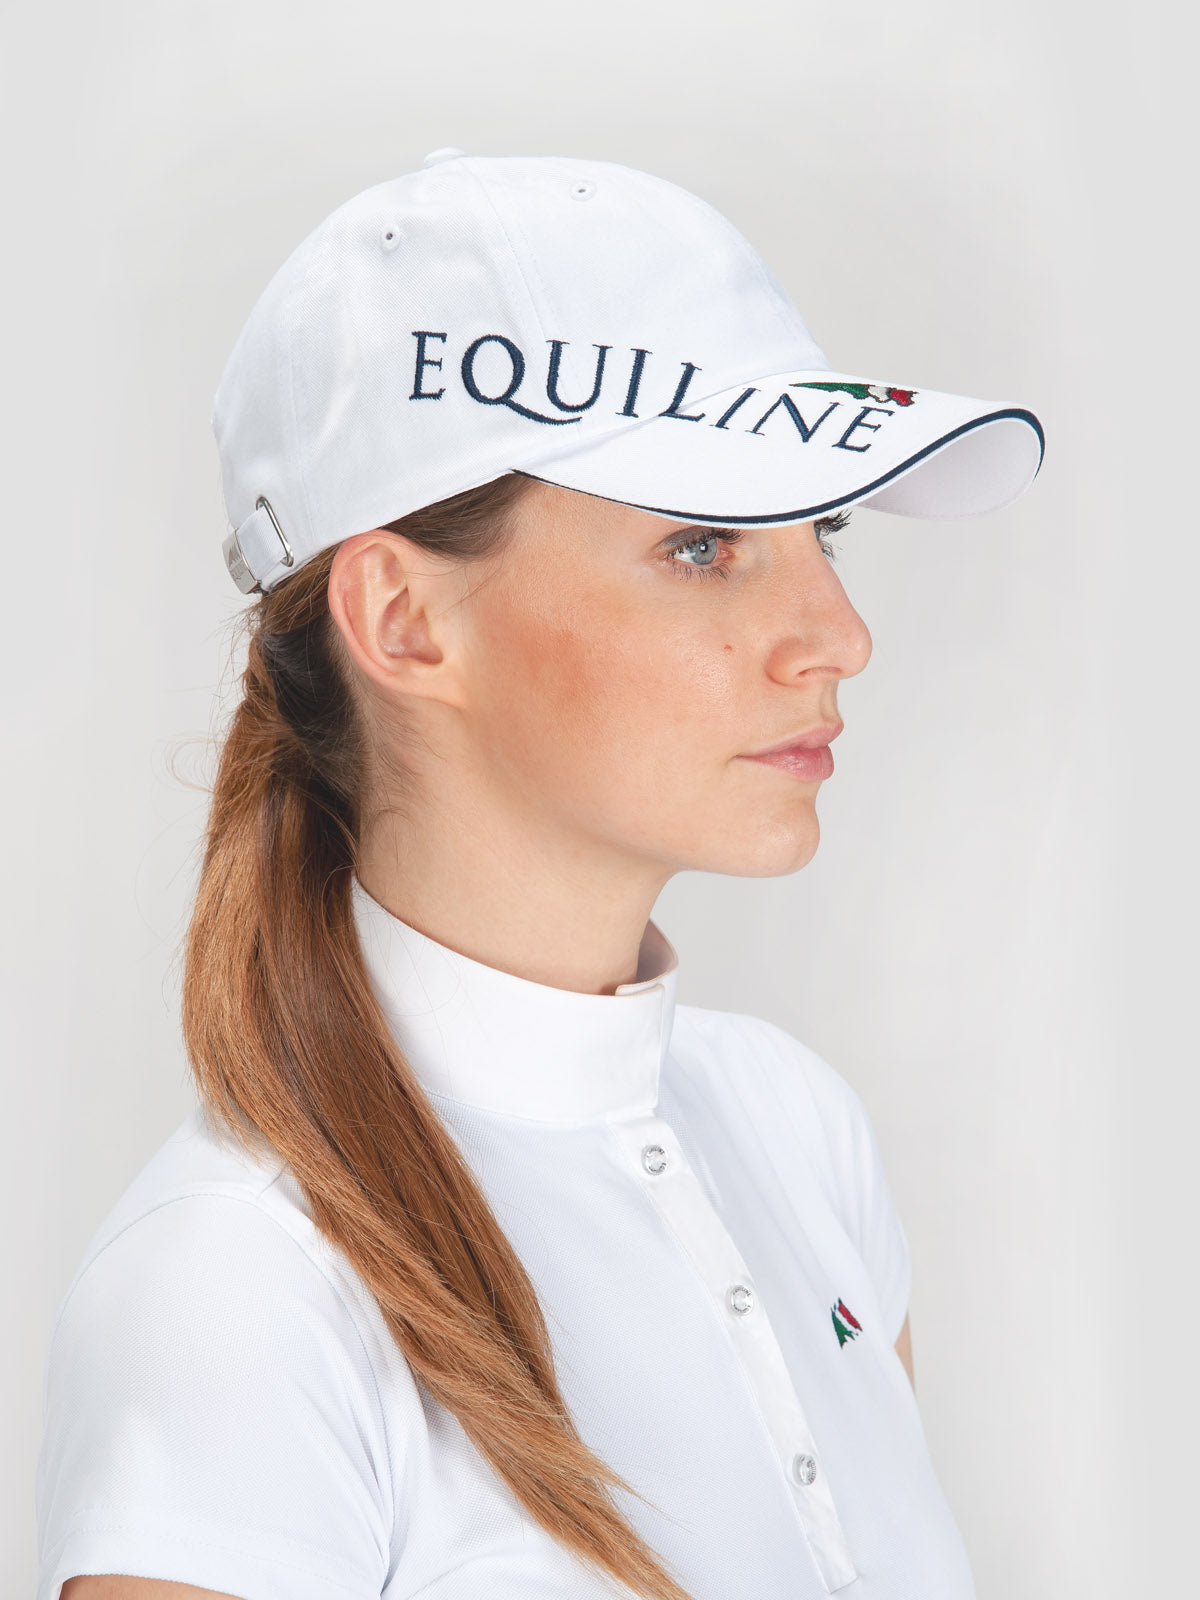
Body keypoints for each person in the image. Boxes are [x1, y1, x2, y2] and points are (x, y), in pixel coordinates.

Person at [36, 150, 1044, 1600]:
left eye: (819, 530)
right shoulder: (236, 1291)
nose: (839, 635)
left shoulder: (796, 1132)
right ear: (403, 617)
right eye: (702, 545)